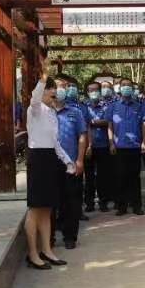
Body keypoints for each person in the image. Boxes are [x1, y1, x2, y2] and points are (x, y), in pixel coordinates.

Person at [24, 60, 75, 270]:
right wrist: (43, 78)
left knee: (47, 208)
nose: (54, 94)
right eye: (50, 90)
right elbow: (35, 98)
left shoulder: (52, 113)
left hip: (50, 158)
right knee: (35, 209)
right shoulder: (34, 109)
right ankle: (32, 254)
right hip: (37, 158)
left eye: (54, 91)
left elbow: (55, 143)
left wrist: (67, 160)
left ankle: (47, 250)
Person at [53, 76, 87, 249]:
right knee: (52, 201)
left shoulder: (75, 112)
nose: (61, 90)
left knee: (71, 200)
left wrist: (80, 159)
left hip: (71, 163)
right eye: (57, 86)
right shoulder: (45, 112)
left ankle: (70, 237)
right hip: (50, 164)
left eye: (63, 87)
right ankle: (49, 237)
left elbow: (82, 136)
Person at [105, 77, 145, 216]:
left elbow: (143, 124)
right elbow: (110, 126)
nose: (126, 87)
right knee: (119, 177)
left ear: (132, 88)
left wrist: (144, 141)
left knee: (134, 177)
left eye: (129, 85)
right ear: (119, 88)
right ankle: (121, 206)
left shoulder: (139, 106)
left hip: (134, 146)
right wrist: (111, 143)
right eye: (123, 85)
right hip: (119, 147)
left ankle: (136, 206)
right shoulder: (113, 106)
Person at [84, 81, 113, 212]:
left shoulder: (106, 106)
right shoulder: (84, 107)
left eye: (96, 89)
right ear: (87, 92)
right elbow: (84, 123)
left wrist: (94, 122)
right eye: (91, 90)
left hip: (103, 145)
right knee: (89, 176)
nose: (93, 92)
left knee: (103, 176)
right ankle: (89, 203)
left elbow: (109, 121)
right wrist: (98, 123)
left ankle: (103, 202)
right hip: (88, 147)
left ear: (100, 91)